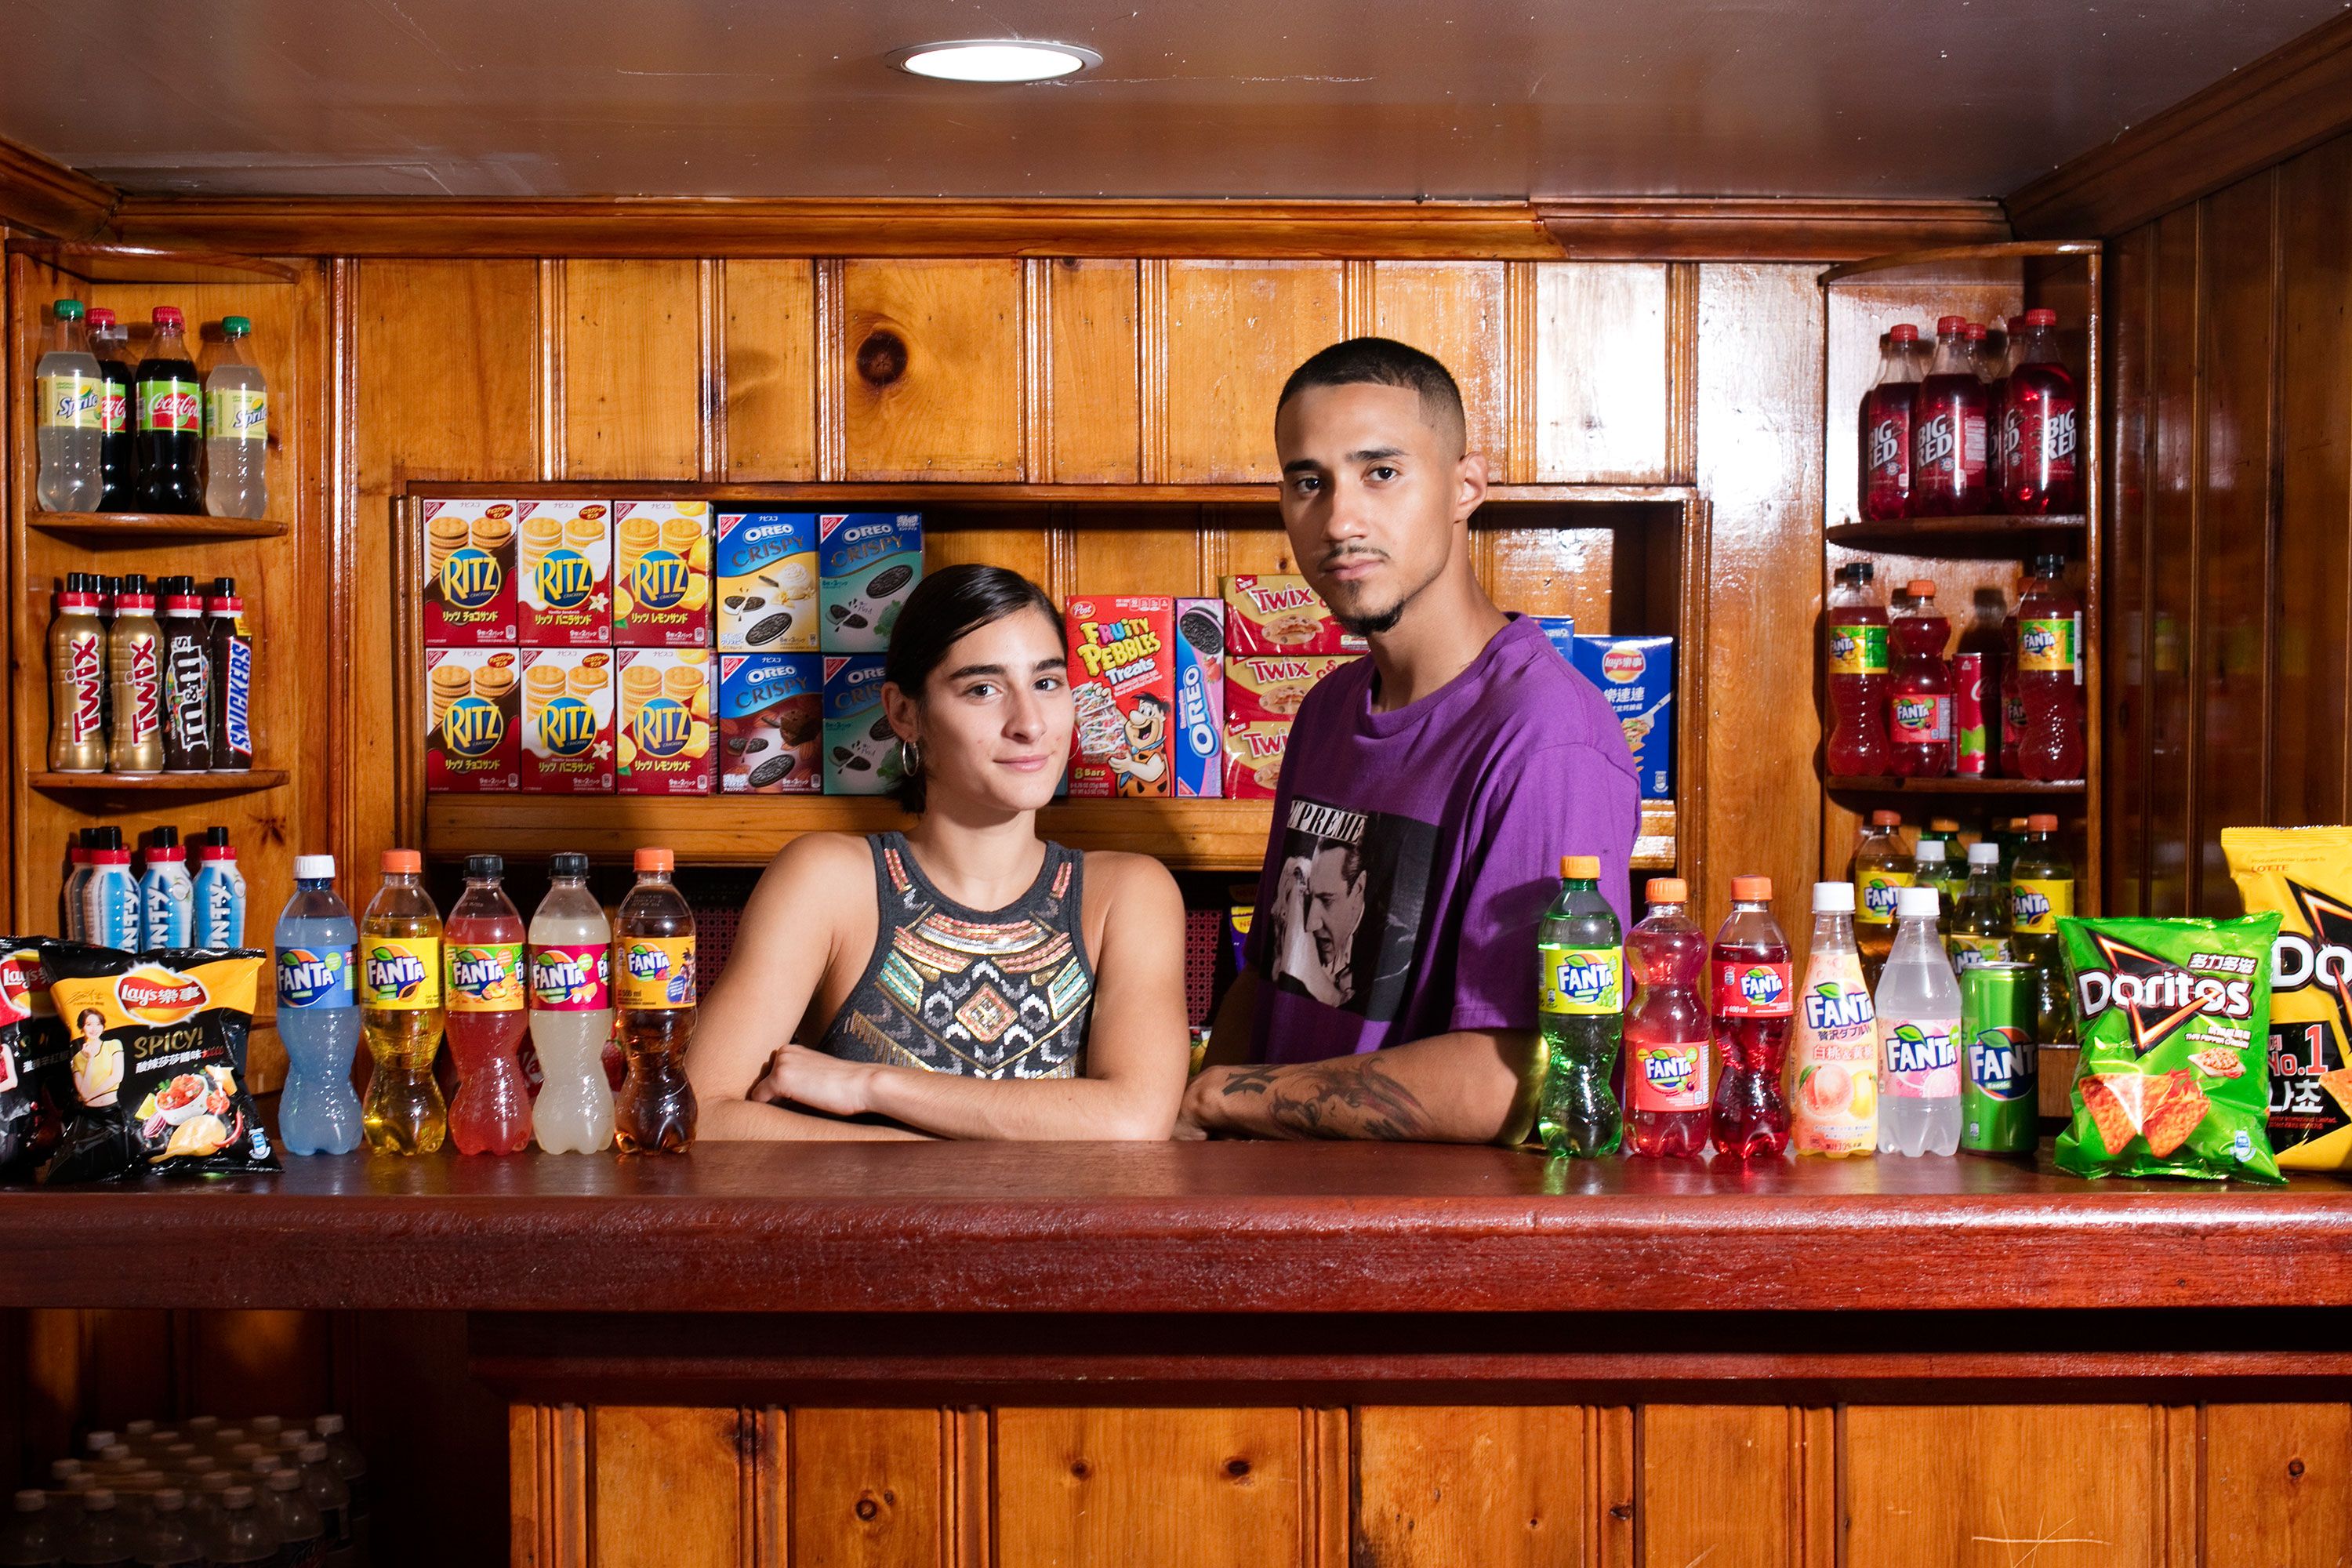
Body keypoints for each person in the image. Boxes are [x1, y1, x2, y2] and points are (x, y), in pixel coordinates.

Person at [1180, 336, 1640, 1145]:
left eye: (1381, 473)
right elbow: (1274, 970)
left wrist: (1223, 1097)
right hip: (1270, 1209)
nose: (1341, 519)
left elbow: (1522, 1078)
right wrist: (1197, 1132)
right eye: (1308, 481)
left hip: (1420, 1242)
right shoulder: (1327, 708)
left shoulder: (1546, 738)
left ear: (1466, 486)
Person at [688, 564, 1190, 1140]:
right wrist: (919, 1151)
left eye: (1047, 683)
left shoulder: (1126, 894)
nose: (1030, 723)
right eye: (983, 689)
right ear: (904, 713)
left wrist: (871, 1086)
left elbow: (1134, 1120)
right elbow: (703, 1114)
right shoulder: (829, 882)